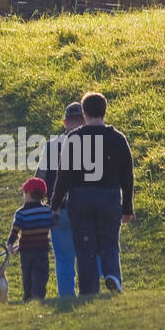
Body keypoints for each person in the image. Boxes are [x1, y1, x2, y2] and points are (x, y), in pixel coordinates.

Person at [48, 91, 134, 295]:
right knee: (109, 242)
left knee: (85, 248)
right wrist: (127, 207)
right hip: (109, 196)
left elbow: (63, 176)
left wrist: (55, 205)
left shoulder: (74, 138)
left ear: (84, 113)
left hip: (81, 198)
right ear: (105, 111)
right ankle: (112, 275)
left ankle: (89, 292)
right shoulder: (117, 138)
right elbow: (127, 175)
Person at [36, 101, 100, 297]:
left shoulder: (51, 146)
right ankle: (89, 295)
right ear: (85, 121)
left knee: (64, 260)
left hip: (58, 211)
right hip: (85, 210)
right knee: (87, 255)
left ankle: (66, 298)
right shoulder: (93, 145)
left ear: (64, 122)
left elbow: (40, 180)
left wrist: (38, 210)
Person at [7, 176, 52, 300]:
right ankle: (38, 295)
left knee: (27, 274)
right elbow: (54, 222)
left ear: (28, 194)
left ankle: (28, 296)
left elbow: (15, 230)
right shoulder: (47, 211)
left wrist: (10, 243)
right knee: (41, 274)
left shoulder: (21, 213)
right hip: (42, 250)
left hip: (26, 251)